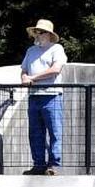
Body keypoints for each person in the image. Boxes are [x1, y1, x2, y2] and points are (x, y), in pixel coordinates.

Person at [20, 19, 68, 175]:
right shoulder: (30, 51)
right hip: (34, 96)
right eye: (36, 32)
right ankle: (38, 165)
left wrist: (32, 78)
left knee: (55, 131)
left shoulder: (57, 49)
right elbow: (24, 70)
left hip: (52, 96)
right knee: (35, 133)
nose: (37, 35)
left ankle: (53, 165)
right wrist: (24, 78)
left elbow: (55, 69)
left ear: (48, 34)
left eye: (40, 32)